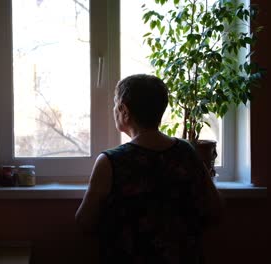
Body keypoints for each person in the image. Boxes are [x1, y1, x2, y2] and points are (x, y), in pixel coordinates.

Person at [75, 74, 223, 264]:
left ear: (124, 111)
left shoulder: (111, 161)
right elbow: (215, 210)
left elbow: (85, 222)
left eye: (115, 105)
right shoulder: (187, 151)